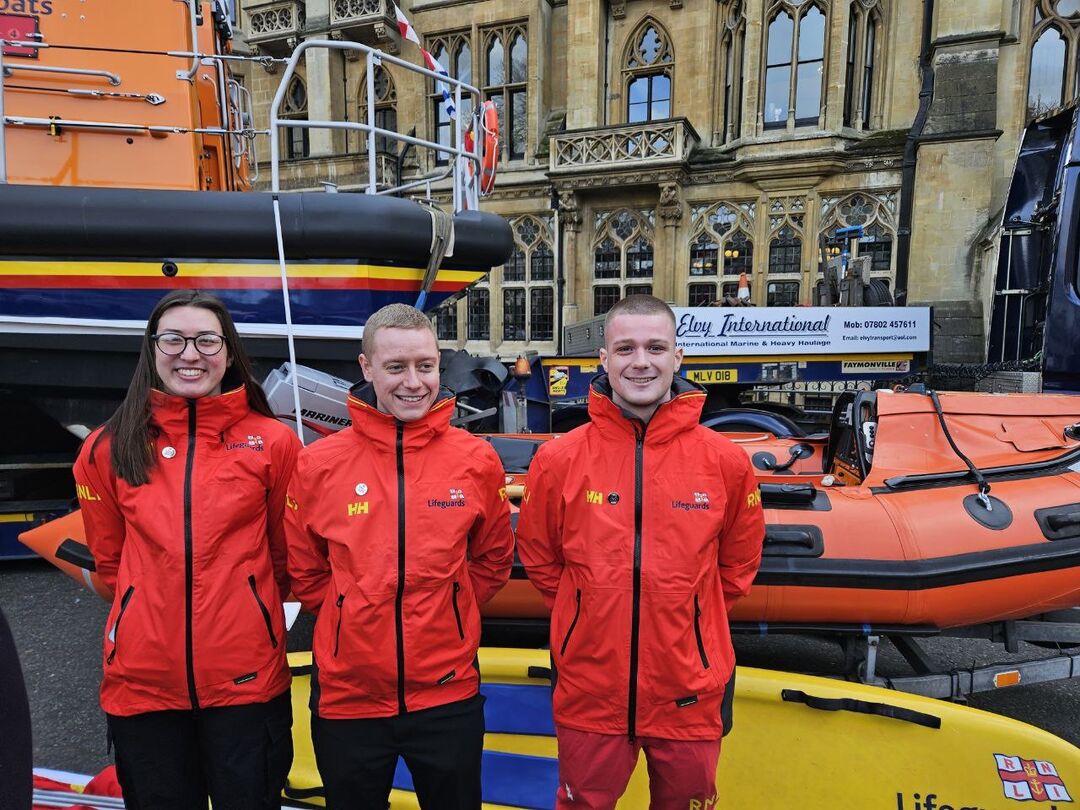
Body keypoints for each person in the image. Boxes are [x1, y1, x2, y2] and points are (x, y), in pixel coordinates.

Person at [516, 294, 765, 810]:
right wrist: (586, 613)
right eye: (625, 348)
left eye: (656, 347)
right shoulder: (559, 459)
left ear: (678, 357)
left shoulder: (724, 462)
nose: (641, 361)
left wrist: (690, 620)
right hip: (590, 686)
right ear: (603, 360)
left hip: (689, 687)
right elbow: (541, 557)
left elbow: (738, 565)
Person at [72, 289, 300, 810]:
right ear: (152, 349)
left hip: (246, 683)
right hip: (143, 686)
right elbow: (110, 563)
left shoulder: (273, 443)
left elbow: (284, 558)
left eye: (205, 340)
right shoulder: (108, 447)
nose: (190, 354)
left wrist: (250, 615)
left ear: (229, 351)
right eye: (173, 339)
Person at [285, 303, 514, 810]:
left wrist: (447, 613)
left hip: (447, 694)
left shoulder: (475, 460)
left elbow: (493, 559)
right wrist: (352, 615)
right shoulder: (318, 463)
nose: (414, 382)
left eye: (425, 366)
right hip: (349, 697)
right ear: (366, 368)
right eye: (396, 367)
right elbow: (305, 568)